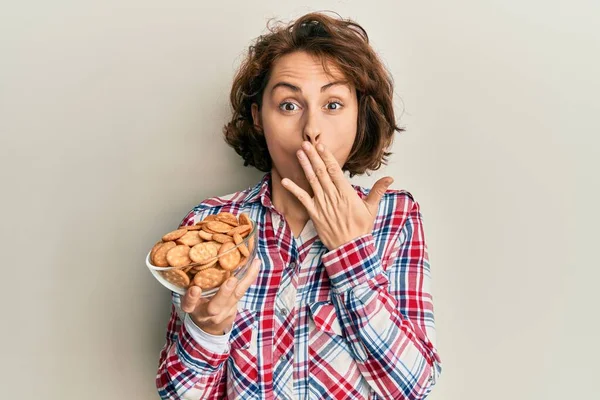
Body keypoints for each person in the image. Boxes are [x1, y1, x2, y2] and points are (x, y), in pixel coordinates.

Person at [156, 11, 442, 400]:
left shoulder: (395, 218)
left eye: (334, 104)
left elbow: (411, 388)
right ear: (259, 118)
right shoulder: (208, 226)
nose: (312, 129)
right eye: (289, 105)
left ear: (360, 115)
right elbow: (178, 396)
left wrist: (351, 252)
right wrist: (207, 331)